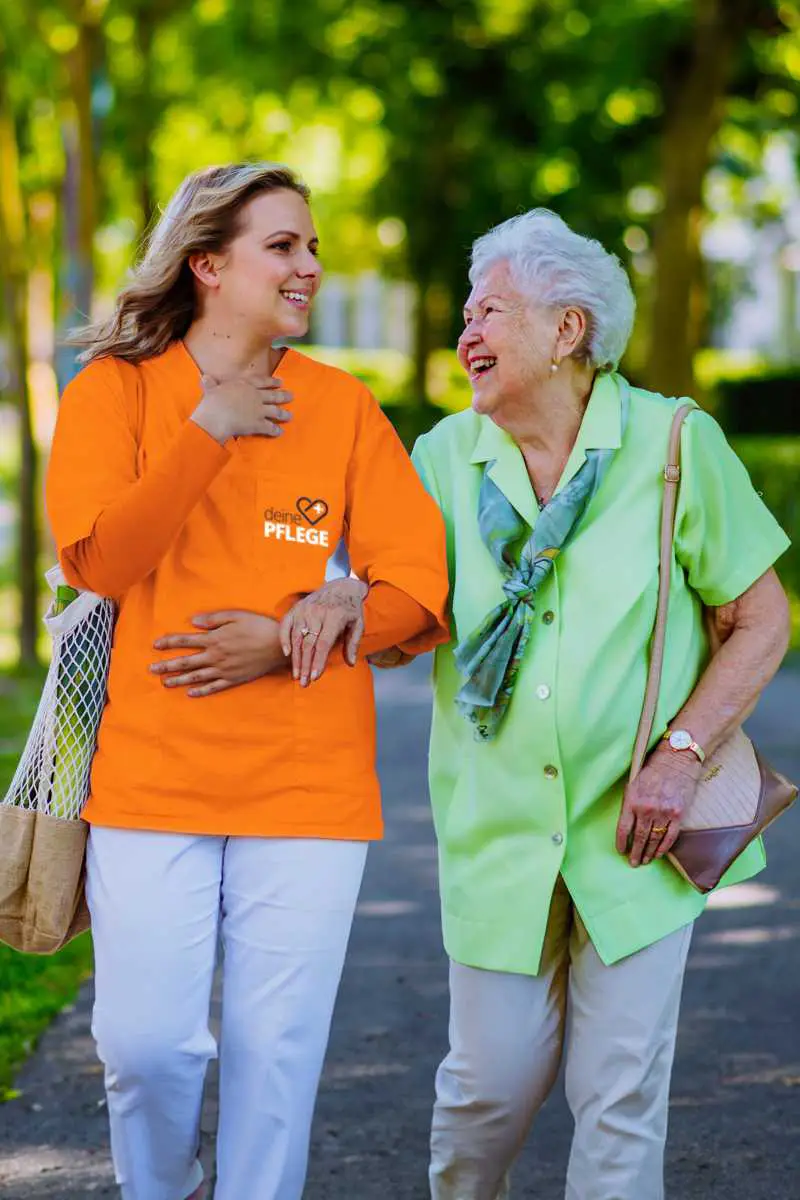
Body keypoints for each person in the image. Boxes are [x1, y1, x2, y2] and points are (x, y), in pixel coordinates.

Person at [45, 162, 448, 1200]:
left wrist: (320, 618)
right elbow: (97, 560)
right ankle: (162, 1187)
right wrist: (207, 431)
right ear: (208, 265)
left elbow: (420, 588)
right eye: (284, 246)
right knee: (145, 1047)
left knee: (277, 1059)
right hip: (147, 777)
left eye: (313, 246)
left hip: (305, 784)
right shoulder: (115, 395)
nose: (309, 266)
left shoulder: (341, 407)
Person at [374, 208, 791, 1199]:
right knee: (483, 1095)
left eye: (491, 311)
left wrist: (680, 754)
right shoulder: (442, 458)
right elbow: (400, 616)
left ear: (568, 331)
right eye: (464, 312)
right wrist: (347, 598)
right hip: (497, 832)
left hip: (639, 832)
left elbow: (760, 619)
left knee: (617, 1099)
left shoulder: (674, 444)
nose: (466, 331)